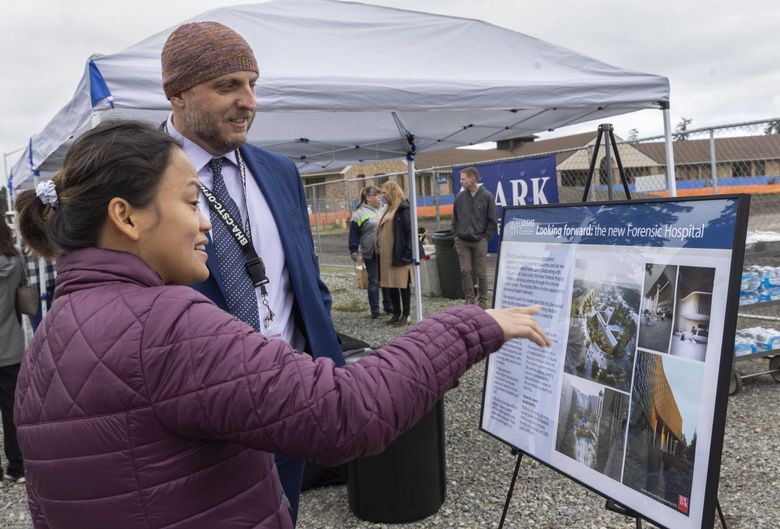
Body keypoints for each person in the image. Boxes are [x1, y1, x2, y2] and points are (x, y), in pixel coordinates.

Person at [13, 120, 549, 529]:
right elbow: (347, 413)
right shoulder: (166, 323)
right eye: (192, 202)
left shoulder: (48, 340)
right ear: (125, 217)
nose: (205, 222)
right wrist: (469, 327)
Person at [159, 21, 343, 521]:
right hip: (198, 426)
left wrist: (325, 375)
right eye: (228, 86)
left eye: (252, 85)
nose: (249, 101)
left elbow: (306, 283)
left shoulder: (280, 171)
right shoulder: (137, 175)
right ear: (178, 93)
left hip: (291, 405)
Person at [0, 215, 25, 484]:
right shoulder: (15, 261)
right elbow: (22, 297)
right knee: (11, 409)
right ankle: (17, 467)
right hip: (11, 344)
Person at [452, 166, 498, 309]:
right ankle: (469, 300)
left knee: (481, 273)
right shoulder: (460, 197)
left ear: (472, 179)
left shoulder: (487, 196)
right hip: (462, 241)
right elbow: (455, 218)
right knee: (465, 271)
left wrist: (485, 237)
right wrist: (456, 235)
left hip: (479, 241)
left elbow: (493, 220)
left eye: (463, 178)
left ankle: (483, 302)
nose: (461, 181)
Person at [348, 186, 393, 319]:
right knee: (373, 280)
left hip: (385, 250)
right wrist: (353, 250)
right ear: (368, 198)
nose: (380, 198)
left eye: (380, 195)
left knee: (386, 279)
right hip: (370, 251)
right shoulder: (359, 214)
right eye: (377, 195)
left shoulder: (385, 209)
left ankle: (389, 305)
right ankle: (375, 310)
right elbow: (353, 234)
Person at [377, 181, 413, 326]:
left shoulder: (403, 208)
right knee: (391, 284)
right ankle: (396, 313)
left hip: (399, 253)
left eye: (384, 192)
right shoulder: (388, 208)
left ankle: (406, 314)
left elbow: (409, 231)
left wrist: (408, 252)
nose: (383, 195)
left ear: (392, 191)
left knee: (402, 284)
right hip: (386, 255)